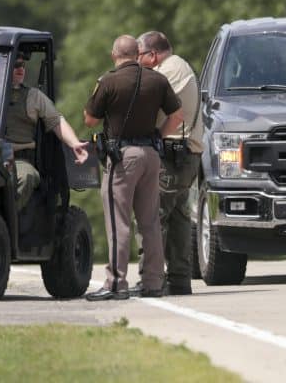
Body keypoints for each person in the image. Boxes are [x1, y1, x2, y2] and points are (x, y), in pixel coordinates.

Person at [83, 35, 183, 301]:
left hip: (123, 158)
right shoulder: (158, 80)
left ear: (114, 54)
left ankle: (116, 283)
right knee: (150, 222)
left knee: (118, 222)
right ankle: (153, 282)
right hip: (151, 154)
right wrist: (158, 137)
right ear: (138, 53)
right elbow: (177, 116)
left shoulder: (108, 81)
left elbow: (90, 120)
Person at [134, 31, 204, 296]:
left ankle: (151, 280)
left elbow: (144, 106)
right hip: (186, 154)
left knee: (152, 216)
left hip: (171, 155)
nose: (136, 60)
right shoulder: (179, 67)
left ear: (152, 55)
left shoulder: (166, 72)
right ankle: (179, 279)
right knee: (179, 218)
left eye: (139, 55)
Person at [0, 55, 90, 211]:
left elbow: (56, 121)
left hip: (18, 161)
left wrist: (74, 143)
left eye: (22, 65)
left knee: (26, 176)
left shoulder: (33, 96)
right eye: (15, 65)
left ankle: (6, 221)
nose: (21, 69)